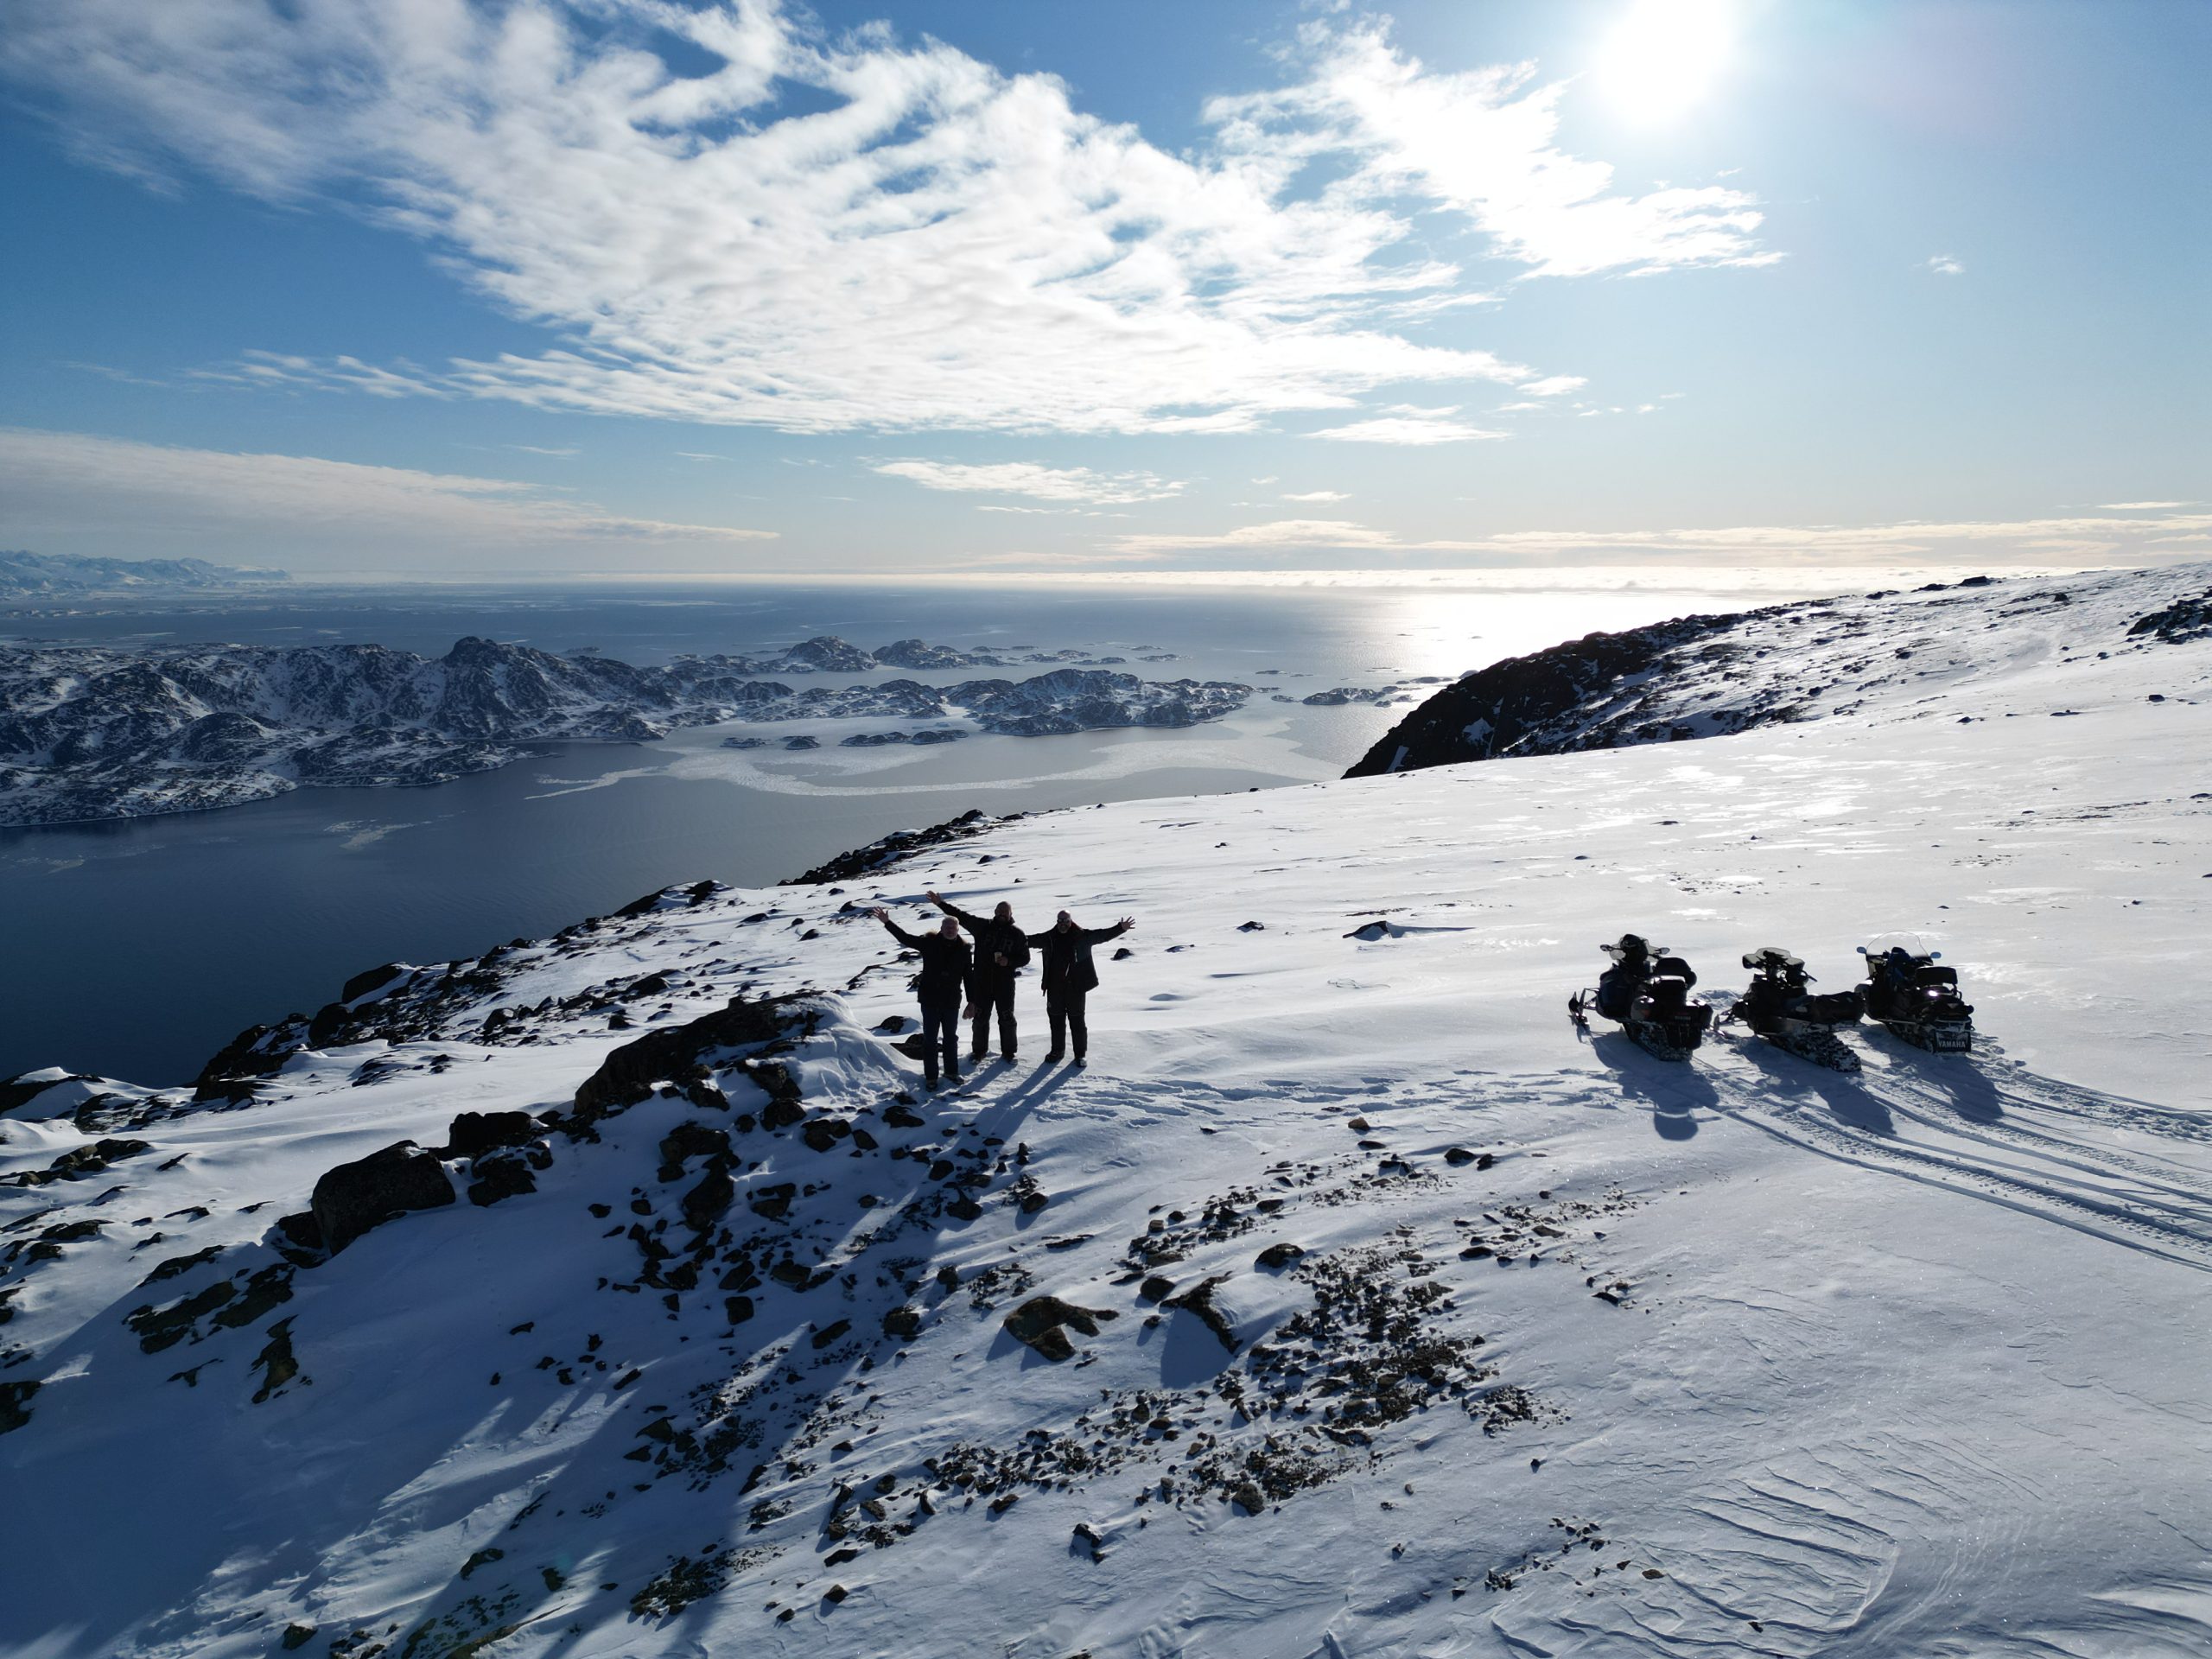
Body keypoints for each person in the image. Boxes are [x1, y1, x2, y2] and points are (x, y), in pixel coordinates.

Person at [870, 907, 976, 1090]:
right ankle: (931, 1077)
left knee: (951, 1038)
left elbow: (968, 977)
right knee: (930, 1040)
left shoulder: (964, 950)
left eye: (953, 927)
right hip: (930, 1000)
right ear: (941, 929)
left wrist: (971, 1002)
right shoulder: (930, 944)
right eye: (947, 927)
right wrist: (887, 922)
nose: (950, 930)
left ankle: (951, 1072)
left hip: (951, 1001)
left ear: (958, 930)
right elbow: (905, 938)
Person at [926, 890, 1032, 1063]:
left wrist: (1009, 961)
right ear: (995, 912)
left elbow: (1025, 958)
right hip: (981, 982)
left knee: (1007, 1017)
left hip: (1004, 984)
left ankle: (1009, 1052)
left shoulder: (1017, 934)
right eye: (999, 912)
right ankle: (979, 1052)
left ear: (1011, 914)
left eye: (1005, 913)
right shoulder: (982, 926)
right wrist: (940, 903)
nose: (1001, 915)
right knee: (980, 1018)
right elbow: (961, 916)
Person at [1027, 909, 1135, 1066]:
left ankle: (1080, 1055)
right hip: (1054, 987)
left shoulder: (1082, 936)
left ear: (1071, 921)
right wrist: (1013, 937)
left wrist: (1120, 928)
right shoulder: (1049, 938)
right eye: (1060, 921)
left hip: (1076, 987)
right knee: (1056, 1020)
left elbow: (1103, 935)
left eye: (1065, 921)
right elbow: (1029, 941)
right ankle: (1057, 1051)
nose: (1063, 924)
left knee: (1077, 1021)